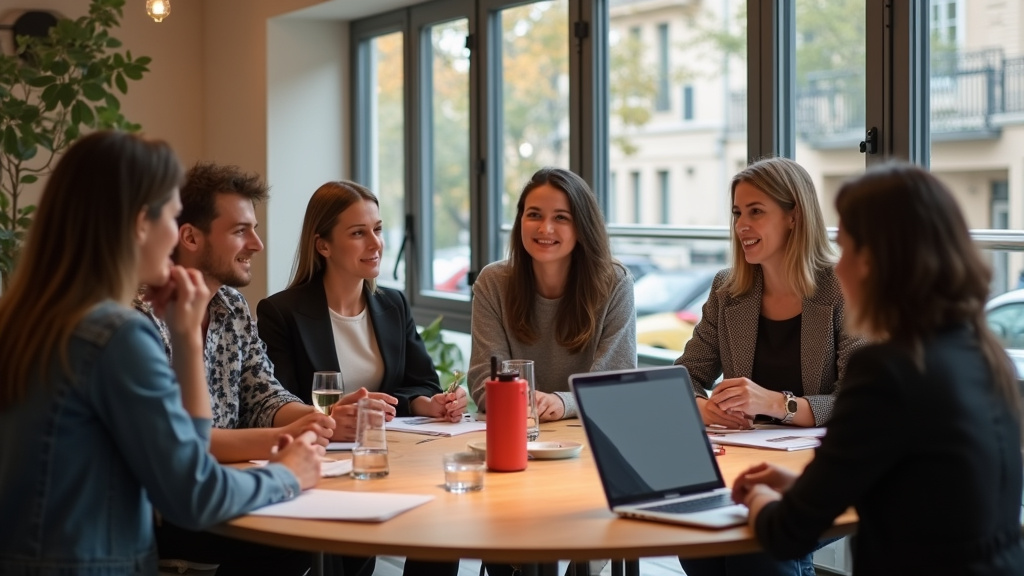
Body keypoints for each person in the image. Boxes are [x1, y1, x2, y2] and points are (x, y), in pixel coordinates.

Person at [0, 130, 321, 574]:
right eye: (171, 218)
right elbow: (193, 493)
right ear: (139, 224)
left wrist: (186, 338)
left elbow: (183, 458)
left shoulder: (27, 318)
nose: (174, 237)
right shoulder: (115, 335)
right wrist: (288, 472)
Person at [733, 162, 1024, 575]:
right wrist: (798, 484)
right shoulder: (981, 352)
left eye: (847, 248)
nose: (838, 265)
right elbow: (909, 484)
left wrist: (756, 495)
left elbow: (788, 532)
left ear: (874, 261)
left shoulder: (887, 372)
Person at [133, 162, 367, 576]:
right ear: (189, 237)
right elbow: (183, 442)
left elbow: (264, 393)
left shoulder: (231, 306)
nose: (257, 244)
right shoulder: (141, 317)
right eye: (241, 230)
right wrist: (282, 440)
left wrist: (319, 419)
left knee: (323, 521)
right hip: (164, 510)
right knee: (298, 537)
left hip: (219, 485)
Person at [257, 179, 465, 576]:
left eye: (378, 229)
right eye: (358, 233)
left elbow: (421, 383)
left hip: (389, 458)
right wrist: (336, 419)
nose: (375, 243)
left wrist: (429, 403)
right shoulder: (280, 313)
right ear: (323, 245)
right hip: (323, 465)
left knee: (445, 518)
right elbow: (274, 403)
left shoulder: (392, 304)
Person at [674, 157, 861, 576]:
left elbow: (856, 400)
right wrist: (704, 407)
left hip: (825, 471)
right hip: (744, 463)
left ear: (794, 216)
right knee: (700, 537)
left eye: (756, 212)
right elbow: (685, 375)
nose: (742, 225)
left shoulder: (840, 287)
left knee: (757, 547)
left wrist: (779, 404)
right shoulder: (728, 289)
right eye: (738, 213)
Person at [469, 167, 637, 421]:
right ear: (520, 221)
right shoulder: (493, 282)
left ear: (582, 227)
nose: (545, 228)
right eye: (534, 215)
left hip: (587, 433)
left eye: (561, 218)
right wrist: (527, 403)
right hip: (514, 427)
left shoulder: (615, 283)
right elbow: (485, 380)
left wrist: (562, 402)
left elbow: (616, 386)